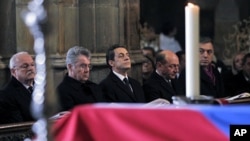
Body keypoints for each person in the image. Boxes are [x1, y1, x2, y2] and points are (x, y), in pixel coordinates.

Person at [57, 46, 105, 111]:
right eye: (83, 66)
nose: (87, 70)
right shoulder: (62, 91)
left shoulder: (95, 87)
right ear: (70, 67)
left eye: (89, 66)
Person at [0, 52, 36, 123]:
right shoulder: (6, 95)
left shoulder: (40, 87)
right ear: (13, 71)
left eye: (32, 65)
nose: (30, 68)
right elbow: (18, 127)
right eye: (25, 66)